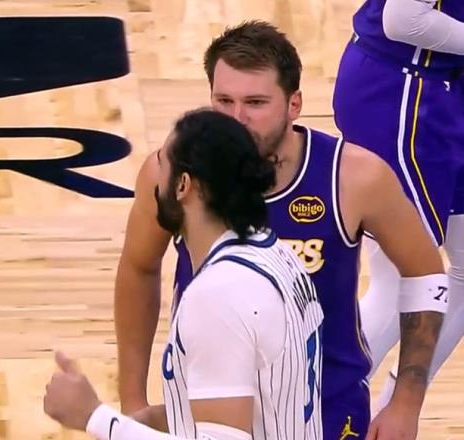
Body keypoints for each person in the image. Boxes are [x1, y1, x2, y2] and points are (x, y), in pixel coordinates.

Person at [115, 21, 448, 440]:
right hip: (206, 409)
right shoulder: (170, 172)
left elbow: (425, 273)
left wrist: (406, 401)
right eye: (223, 101)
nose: (237, 119)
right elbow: (139, 268)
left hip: (325, 412)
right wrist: (131, 401)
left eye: (255, 102)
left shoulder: (354, 177)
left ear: (294, 104)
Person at [43, 108, 324, 440]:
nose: (153, 177)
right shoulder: (278, 255)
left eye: (162, 163)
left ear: (183, 186)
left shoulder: (218, 297)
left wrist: (95, 418)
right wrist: (154, 420)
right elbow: (251, 398)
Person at [333, 0, 464, 416]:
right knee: (401, 280)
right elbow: (403, 18)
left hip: (441, 90)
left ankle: (390, 415)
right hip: (403, 95)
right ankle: (313, 411)